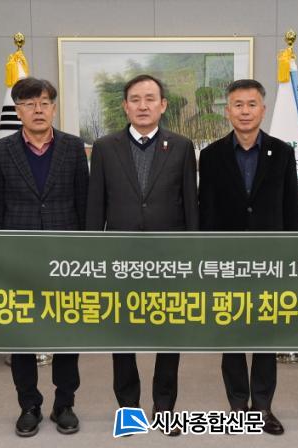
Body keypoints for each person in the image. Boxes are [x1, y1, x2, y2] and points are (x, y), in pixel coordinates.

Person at [86, 74, 198, 436]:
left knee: (170, 335)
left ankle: (164, 408)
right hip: (120, 257)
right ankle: (129, 410)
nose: (143, 105)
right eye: (135, 99)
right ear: (125, 106)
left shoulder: (181, 146)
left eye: (150, 98)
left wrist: (192, 254)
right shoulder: (105, 147)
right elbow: (95, 205)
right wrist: (94, 255)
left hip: (170, 257)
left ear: (163, 105)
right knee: (123, 336)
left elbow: (190, 204)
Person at [0, 77, 89, 437]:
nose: (37, 109)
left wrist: (85, 254)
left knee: (67, 332)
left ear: (54, 108)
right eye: (29, 104)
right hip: (18, 257)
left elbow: (84, 202)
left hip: (66, 256)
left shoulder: (73, 147)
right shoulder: (0, 150)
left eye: (44, 102)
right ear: (18, 110)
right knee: (22, 333)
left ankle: (64, 404)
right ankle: (28, 405)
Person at [199, 79, 298, 435]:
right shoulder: (211, 156)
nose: (245, 111)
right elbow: (206, 212)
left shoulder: (282, 152)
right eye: (238, 105)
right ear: (228, 111)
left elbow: (290, 210)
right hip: (226, 261)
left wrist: (290, 259)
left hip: (270, 260)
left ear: (263, 109)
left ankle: (264, 406)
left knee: (264, 335)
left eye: (251, 104)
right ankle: (238, 405)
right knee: (232, 335)